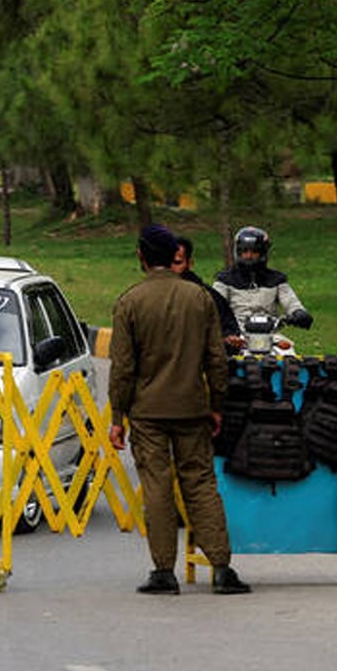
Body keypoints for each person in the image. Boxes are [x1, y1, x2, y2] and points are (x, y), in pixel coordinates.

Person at [108, 224, 251, 595]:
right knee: (201, 483)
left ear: (141, 256)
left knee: (157, 486)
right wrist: (216, 404)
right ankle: (221, 567)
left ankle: (163, 571)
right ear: (174, 256)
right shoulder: (198, 298)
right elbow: (216, 359)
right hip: (192, 408)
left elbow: (122, 367)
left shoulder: (130, 301)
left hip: (147, 412)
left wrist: (117, 417)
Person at [211, 226, 313, 334]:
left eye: (254, 251)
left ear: (263, 253)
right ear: (238, 252)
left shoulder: (277, 280)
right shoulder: (224, 280)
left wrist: (299, 313)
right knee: (221, 351)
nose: (249, 256)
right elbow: (213, 306)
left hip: (270, 336)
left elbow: (291, 302)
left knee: (287, 350)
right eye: (244, 251)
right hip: (236, 336)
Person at [172, 236, 242, 352]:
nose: (170, 268)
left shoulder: (208, 297)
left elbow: (228, 330)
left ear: (190, 263)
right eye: (164, 263)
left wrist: (229, 339)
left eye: (177, 263)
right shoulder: (146, 296)